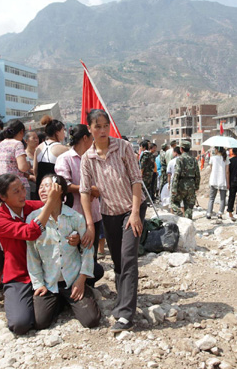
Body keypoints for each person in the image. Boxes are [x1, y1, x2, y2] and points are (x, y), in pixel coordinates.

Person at [80, 109, 146, 333]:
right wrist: (90, 224)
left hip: (131, 209)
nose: (102, 130)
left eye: (105, 125)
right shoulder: (87, 159)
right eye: (96, 126)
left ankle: (126, 314)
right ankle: (122, 300)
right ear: (89, 129)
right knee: (118, 261)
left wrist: (136, 213)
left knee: (128, 258)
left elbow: (137, 180)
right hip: (109, 213)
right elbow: (84, 191)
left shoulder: (123, 147)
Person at [0, 173, 60, 334]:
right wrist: (49, 205)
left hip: (43, 270)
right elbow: (30, 232)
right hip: (19, 274)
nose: (23, 194)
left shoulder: (30, 207)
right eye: (16, 191)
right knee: (20, 324)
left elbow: (55, 206)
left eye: (22, 188)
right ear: (3, 197)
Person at [26, 174, 101, 329]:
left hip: (72, 280)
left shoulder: (75, 217)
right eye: (40, 186)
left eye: (48, 186)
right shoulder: (33, 219)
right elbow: (32, 255)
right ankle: (60, 301)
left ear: (60, 191)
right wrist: (39, 284)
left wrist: (81, 280)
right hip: (50, 281)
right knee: (41, 322)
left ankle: (81, 294)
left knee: (91, 320)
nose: (42, 190)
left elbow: (87, 251)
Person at [55, 124, 105, 261]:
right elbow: (64, 184)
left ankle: (89, 282)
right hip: (73, 215)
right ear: (85, 138)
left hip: (93, 214)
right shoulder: (65, 159)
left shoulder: (94, 158)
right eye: (91, 137)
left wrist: (97, 190)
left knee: (91, 255)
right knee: (73, 256)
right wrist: (88, 190)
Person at [34, 116, 68, 199]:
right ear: (57, 132)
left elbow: (35, 170)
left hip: (40, 188)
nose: (64, 133)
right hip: (55, 189)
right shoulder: (62, 149)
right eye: (63, 131)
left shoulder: (38, 148)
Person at [0, 119, 32, 199]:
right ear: (21, 131)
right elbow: (22, 167)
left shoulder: (1, 144)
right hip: (17, 185)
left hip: (2, 184)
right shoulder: (17, 144)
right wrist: (28, 166)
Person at [171, 140, 201, 219]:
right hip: (191, 184)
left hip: (181, 184)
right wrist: (196, 186)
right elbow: (197, 174)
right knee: (189, 207)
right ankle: (188, 222)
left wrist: (174, 187)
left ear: (181, 149)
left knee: (174, 202)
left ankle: (180, 216)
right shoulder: (194, 159)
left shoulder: (180, 159)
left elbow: (176, 174)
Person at [206, 147, 229, 220]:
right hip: (222, 180)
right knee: (223, 198)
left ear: (216, 150)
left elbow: (211, 168)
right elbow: (227, 172)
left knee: (211, 198)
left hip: (214, 179)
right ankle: (220, 213)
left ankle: (209, 213)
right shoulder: (225, 158)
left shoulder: (213, 158)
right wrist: (228, 182)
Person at [24, 131, 40, 200]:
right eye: (33, 138)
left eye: (37, 138)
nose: (36, 140)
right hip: (30, 188)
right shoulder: (24, 155)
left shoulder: (40, 153)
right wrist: (31, 177)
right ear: (26, 141)